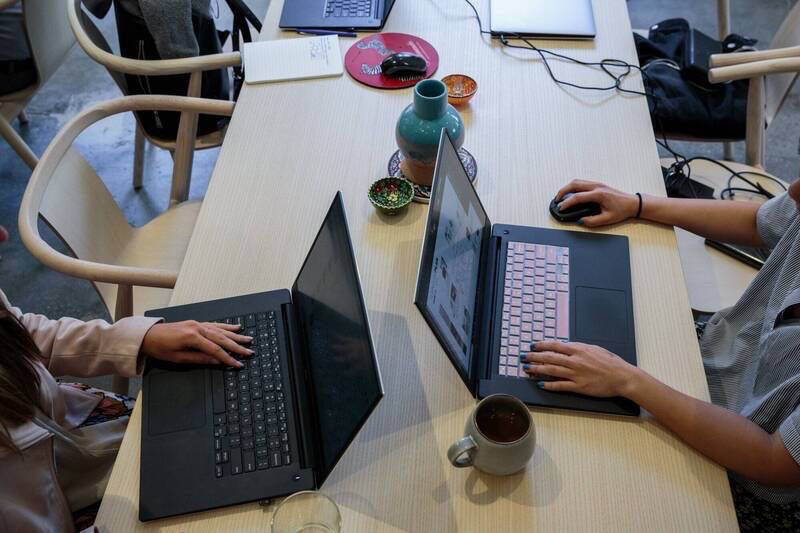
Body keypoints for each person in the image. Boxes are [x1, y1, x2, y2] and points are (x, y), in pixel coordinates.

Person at [523, 178, 800, 530]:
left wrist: (627, 380)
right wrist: (639, 205)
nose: (793, 189)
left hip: (744, 479)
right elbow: (759, 222)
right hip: (709, 364)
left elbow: (772, 460)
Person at [0, 222, 253, 531]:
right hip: (57, 509)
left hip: (63, 436)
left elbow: (22, 333)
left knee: (222, 432)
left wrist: (140, 338)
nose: (3, 235)